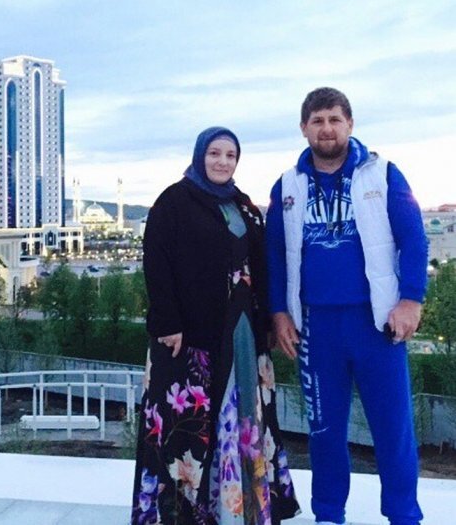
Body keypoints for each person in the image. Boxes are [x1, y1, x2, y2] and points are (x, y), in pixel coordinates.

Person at [266, 87, 427, 525]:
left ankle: (404, 516)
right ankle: (329, 514)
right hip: (316, 328)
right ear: (304, 128)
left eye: (335, 119)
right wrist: (279, 312)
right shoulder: (288, 185)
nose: (327, 129)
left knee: (393, 429)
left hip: (376, 325)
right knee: (324, 432)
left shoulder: (383, 173)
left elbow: (414, 239)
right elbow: (275, 254)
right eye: (317, 121)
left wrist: (411, 300)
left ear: (350, 124)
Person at [131, 127, 299, 525]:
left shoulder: (243, 205)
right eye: (215, 153)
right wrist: (167, 322)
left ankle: (238, 512)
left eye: (230, 155)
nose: (223, 161)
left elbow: (261, 265)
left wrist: (269, 320)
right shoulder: (174, 201)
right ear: (199, 156)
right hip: (191, 338)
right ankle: (184, 514)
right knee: (187, 429)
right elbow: (157, 263)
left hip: (242, 333)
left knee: (243, 418)